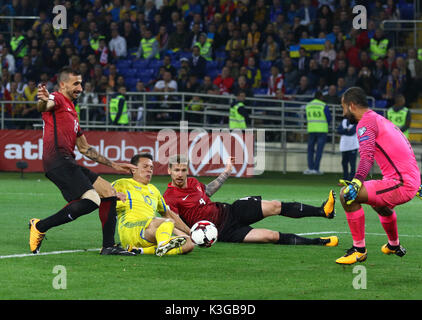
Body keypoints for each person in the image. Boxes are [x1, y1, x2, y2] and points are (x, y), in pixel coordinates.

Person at [29, 67, 136, 256]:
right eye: (76, 83)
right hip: (58, 161)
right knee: (93, 200)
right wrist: (43, 100)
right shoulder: (57, 98)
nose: (80, 87)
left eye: (81, 83)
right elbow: (44, 106)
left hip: (69, 161)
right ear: (63, 84)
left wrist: (115, 165)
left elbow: (85, 148)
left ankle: (108, 246)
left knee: (108, 193)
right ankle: (40, 226)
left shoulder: (72, 111)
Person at [163, 155, 339, 247]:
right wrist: (190, 234)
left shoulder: (193, 182)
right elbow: (173, 220)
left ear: (187, 170)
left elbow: (206, 192)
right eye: (176, 170)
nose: (180, 174)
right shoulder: (169, 196)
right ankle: (319, 242)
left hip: (231, 210)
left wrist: (226, 172)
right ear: (169, 171)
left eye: (183, 170)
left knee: (275, 205)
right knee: (269, 236)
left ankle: (323, 211)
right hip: (224, 232)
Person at [336, 87, 421, 265]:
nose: (344, 113)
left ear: (351, 106)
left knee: (346, 195)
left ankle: (359, 250)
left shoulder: (365, 123)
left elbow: (366, 157)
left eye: (343, 108)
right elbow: (404, 147)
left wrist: (356, 182)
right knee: (378, 202)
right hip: (405, 180)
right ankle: (393, 245)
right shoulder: (380, 119)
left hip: (401, 183)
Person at [112, 153, 194, 256]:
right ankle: (164, 243)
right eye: (145, 167)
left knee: (189, 243)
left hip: (149, 230)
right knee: (167, 222)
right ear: (133, 169)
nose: (149, 170)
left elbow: (168, 214)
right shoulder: (122, 183)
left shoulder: (154, 190)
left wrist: (190, 233)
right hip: (130, 229)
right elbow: (101, 194)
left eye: (151, 167)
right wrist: (114, 196)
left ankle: (139, 250)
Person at [303, 91, 331, 175]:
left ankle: (310, 168)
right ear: (321, 97)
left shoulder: (308, 105)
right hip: (322, 130)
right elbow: (329, 118)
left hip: (311, 130)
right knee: (319, 150)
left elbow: (305, 117)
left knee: (310, 150)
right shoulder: (323, 105)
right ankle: (316, 169)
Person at [337, 117, 359, 181]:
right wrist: (347, 130)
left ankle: (352, 178)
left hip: (353, 145)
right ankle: (345, 178)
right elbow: (338, 131)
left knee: (352, 163)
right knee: (344, 163)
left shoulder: (355, 121)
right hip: (344, 146)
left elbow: (352, 132)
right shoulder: (344, 121)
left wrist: (344, 131)